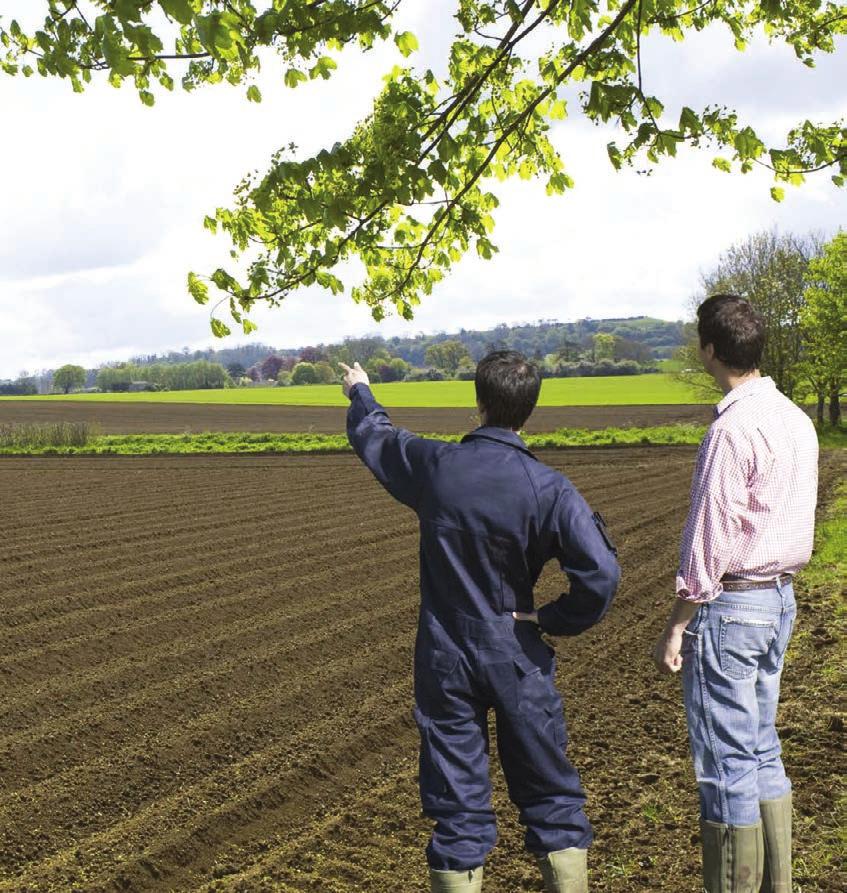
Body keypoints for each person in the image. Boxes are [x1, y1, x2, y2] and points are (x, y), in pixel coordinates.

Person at [339, 350, 620, 893]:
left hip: (445, 657)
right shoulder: (549, 487)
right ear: (528, 412)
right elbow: (601, 575)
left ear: (479, 402)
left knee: (458, 811)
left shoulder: (436, 467)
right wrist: (552, 617)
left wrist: (361, 390)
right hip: (517, 653)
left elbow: (376, 437)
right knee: (552, 800)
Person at [653, 295, 819, 893]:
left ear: (710, 351)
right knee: (761, 748)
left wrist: (677, 622)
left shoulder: (731, 430)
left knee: (725, 765)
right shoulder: (795, 419)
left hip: (732, 608)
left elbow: (709, 540)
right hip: (780, 601)